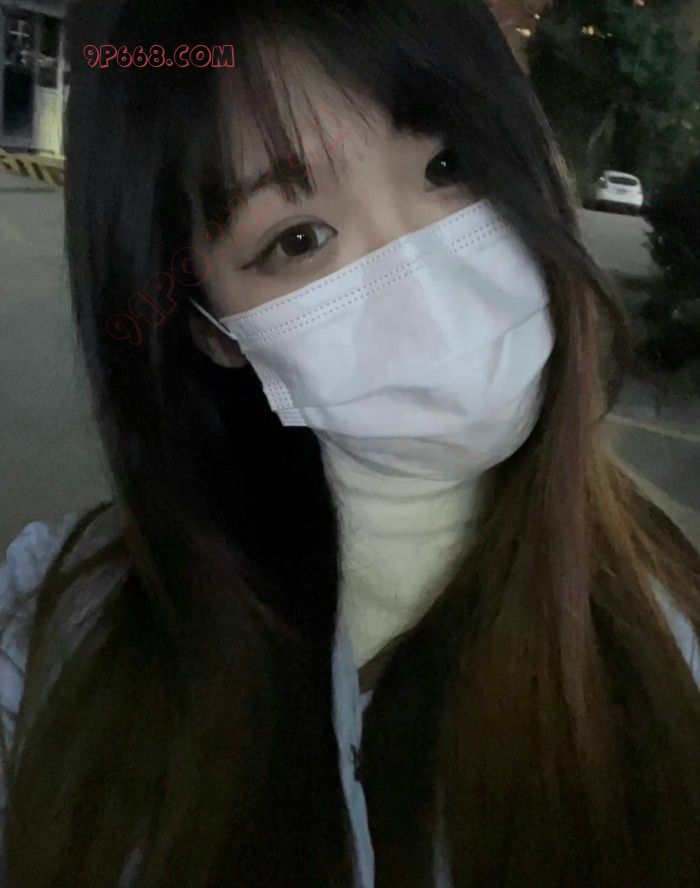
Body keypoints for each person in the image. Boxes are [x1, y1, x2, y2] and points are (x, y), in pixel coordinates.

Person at [1, 0, 699, 886]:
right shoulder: (60, 634)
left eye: (449, 164)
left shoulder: (674, 645)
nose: (428, 290)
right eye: (298, 239)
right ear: (214, 331)